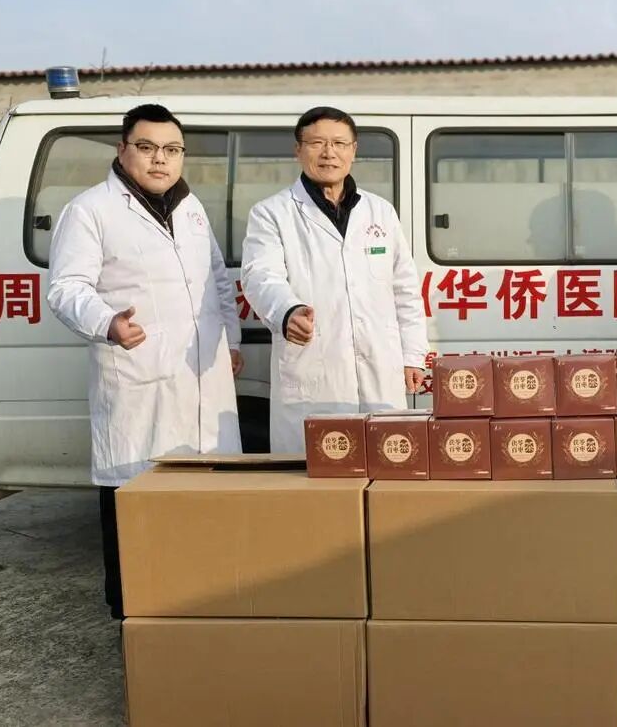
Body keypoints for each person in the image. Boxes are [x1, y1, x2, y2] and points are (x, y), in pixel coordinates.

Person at [47, 103, 243, 620]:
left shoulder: (191, 208)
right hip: (138, 382)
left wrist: (231, 340)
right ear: (123, 150)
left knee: (204, 512)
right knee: (136, 514)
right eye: (148, 147)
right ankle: (134, 625)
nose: (161, 159)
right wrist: (107, 321)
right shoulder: (91, 210)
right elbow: (66, 287)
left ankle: (202, 613)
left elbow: (217, 280)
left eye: (172, 149)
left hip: (202, 378)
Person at [240, 106, 428, 452]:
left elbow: (404, 289)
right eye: (317, 143)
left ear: (354, 151)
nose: (329, 153)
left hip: (379, 369)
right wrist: (287, 311)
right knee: (314, 469)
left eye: (340, 143)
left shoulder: (380, 211)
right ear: (298, 150)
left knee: (383, 461)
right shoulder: (272, 213)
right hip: (314, 372)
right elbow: (261, 276)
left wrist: (413, 354)